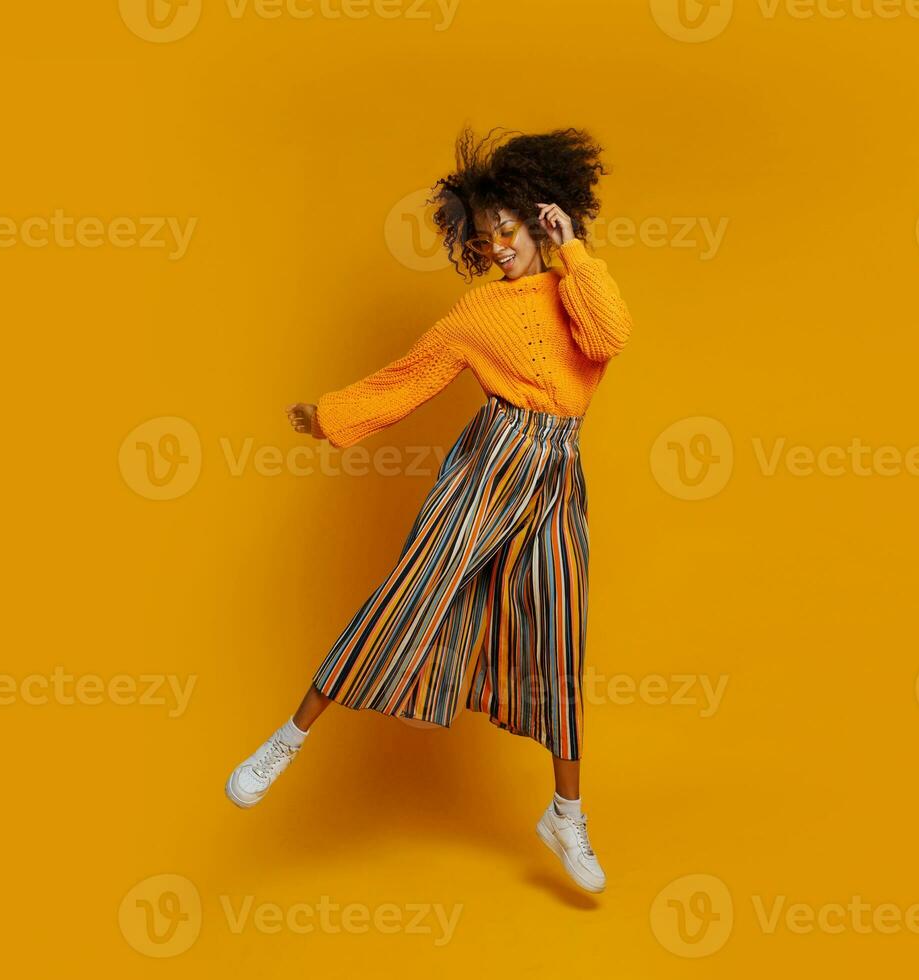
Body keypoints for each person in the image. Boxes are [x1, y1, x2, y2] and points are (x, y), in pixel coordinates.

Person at [226, 127, 633, 895]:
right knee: (410, 594)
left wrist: (571, 249)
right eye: (485, 241)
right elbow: (406, 379)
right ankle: (284, 743)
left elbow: (612, 333)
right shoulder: (477, 315)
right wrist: (331, 415)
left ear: (539, 218)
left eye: (507, 231)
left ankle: (565, 816)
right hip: (490, 464)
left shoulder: (577, 290)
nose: (498, 248)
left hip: (556, 473)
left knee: (559, 630)